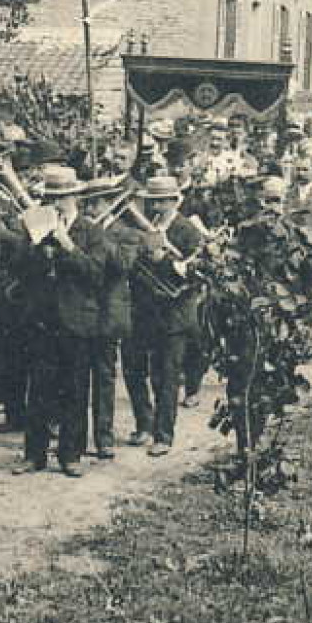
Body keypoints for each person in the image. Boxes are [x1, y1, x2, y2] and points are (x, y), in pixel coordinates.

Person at [12, 165, 107, 477]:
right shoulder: (34, 227)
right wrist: (34, 245)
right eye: (52, 197)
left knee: (75, 390)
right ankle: (34, 455)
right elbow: (18, 270)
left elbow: (96, 275)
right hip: (42, 320)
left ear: (75, 197)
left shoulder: (91, 231)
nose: (57, 203)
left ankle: (71, 455)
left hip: (77, 322)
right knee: (37, 390)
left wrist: (68, 246)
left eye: (63, 197)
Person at [120, 174, 203, 456]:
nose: (156, 207)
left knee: (166, 376)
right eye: (152, 202)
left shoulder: (188, 230)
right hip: (142, 311)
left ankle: (163, 434)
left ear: (173, 200)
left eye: (161, 201)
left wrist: (166, 261)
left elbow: (197, 271)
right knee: (132, 369)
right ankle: (144, 423)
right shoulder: (141, 227)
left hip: (173, 314)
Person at [80, 175, 139, 460]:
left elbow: (123, 265)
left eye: (97, 202)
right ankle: (74, 438)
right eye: (89, 203)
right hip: (79, 313)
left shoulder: (126, 233)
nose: (92, 208)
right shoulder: (80, 230)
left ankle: (104, 437)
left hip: (107, 315)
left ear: (109, 203)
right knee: (77, 377)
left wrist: (99, 235)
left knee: (104, 377)